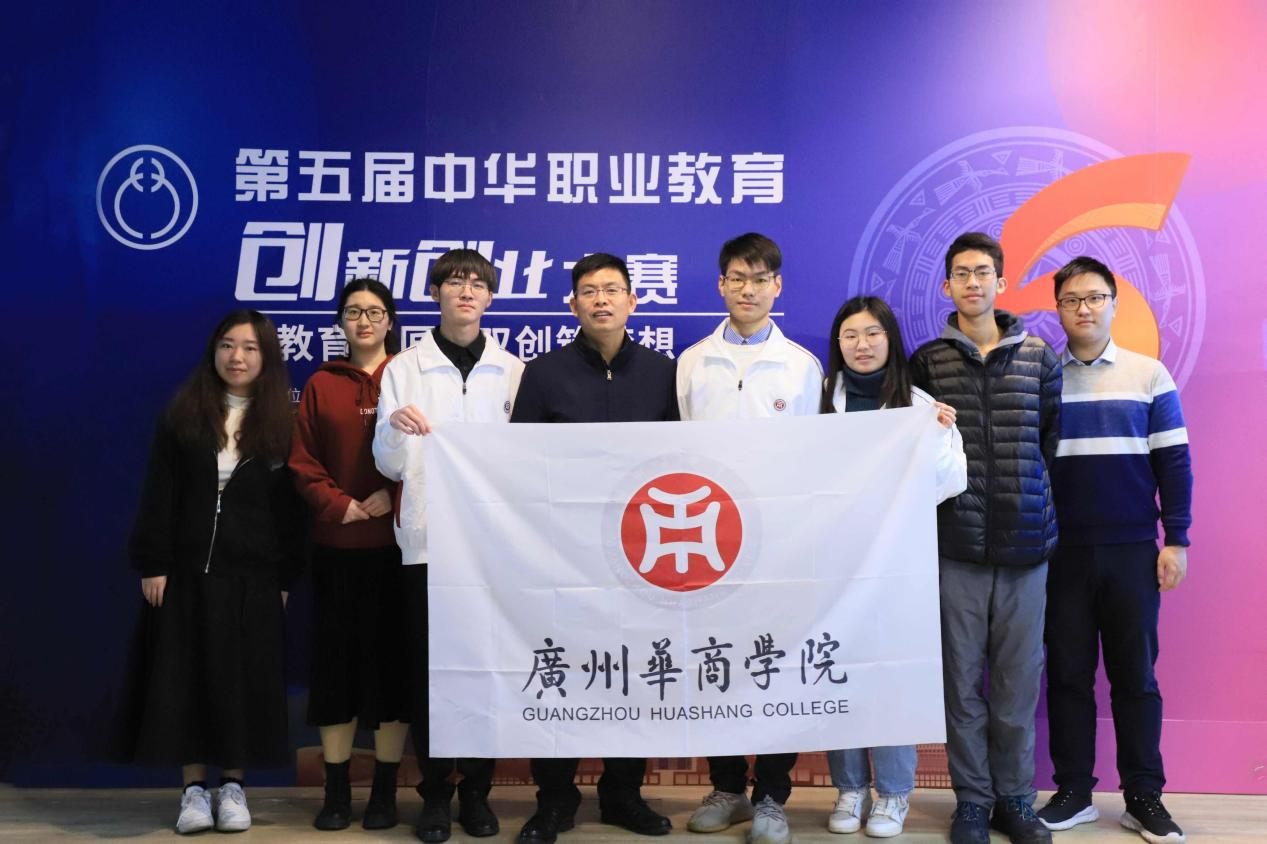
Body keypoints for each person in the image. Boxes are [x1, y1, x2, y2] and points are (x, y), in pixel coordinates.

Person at [511, 252, 678, 844]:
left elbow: (682, 464)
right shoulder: (543, 374)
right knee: (559, 669)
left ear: (633, 300)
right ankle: (554, 798)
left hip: (640, 555)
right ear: (573, 304)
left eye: (611, 289)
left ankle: (622, 794)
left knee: (633, 671)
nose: (601, 300)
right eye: (588, 291)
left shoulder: (663, 372)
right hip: (562, 555)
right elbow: (517, 464)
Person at [123, 309, 302, 834]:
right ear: (214, 352)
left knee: (242, 681)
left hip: (253, 577)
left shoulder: (282, 423)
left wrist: (286, 577)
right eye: (227, 345)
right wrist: (154, 562)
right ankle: (193, 793)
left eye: (249, 347)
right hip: (186, 574)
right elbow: (159, 493)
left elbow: (292, 512)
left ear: (266, 357)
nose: (236, 357)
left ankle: (234, 788)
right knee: (186, 679)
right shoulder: (184, 414)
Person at [907, 232, 1060, 844]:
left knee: (1018, 683)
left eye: (983, 272)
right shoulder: (927, 362)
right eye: (962, 274)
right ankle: (972, 801)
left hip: (1027, 545)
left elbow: (1049, 441)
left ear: (1001, 281)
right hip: (957, 546)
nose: (973, 282)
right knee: (962, 682)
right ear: (947, 286)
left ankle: (1015, 800)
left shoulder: (1039, 357)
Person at [1036, 257, 1191, 844]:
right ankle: (1074, 791)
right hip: (1061, 554)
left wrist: (1176, 539)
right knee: (1068, 675)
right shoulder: (1044, 379)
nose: (1084, 308)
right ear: (1058, 308)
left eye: (1095, 297)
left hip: (1132, 550)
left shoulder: (1149, 375)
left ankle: (1143, 796)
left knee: (1136, 677)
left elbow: (1173, 462)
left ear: (1113, 304)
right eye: (1071, 299)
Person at [373, 249, 524, 843]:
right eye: (455, 281)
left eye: (477, 283)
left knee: (486, 670)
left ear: (490, 297)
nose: (466, 291)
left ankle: (477, 793)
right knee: (428, 674)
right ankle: (435, 794)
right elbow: (387, 464)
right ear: (435, 292)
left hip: (493, 550)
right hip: (428, 544)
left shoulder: (512, 371)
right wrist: (393, 430)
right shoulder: (404, 369)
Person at [676, 232, 823, 844]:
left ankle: (771, 797)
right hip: (708, 543)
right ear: (721, 285)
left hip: (778, 545)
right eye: (737, 278)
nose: (748, 289)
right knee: (715, 663)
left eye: (760, 279)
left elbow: (813, 458)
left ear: (777, 286)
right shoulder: (692, 362)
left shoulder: (802, 366)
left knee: (773, 665)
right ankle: (728, 787)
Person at [819, 295, 967, 838]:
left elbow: (949, 482)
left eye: (872, 334)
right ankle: (850, 786)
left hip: (895, 566)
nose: (862, 345)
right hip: (831, 565)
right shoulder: (817, 402)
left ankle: (895, 792)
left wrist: (939, 434)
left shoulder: (918, 405)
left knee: (892, 675)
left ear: (890, 340)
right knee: (836, 669)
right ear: (838, 344)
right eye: (850, 335)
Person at [289, 278, 409, 831]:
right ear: (340, 322)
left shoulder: (409, 376)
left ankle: (385, 792)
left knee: (391, 672)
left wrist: (393, 494)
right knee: (334, 670)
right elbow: (302, 460)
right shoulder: (321, 383)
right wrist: (339, 505)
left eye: (375, 312)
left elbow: (434, 450)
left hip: (397, 548)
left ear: (390, 321)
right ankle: (336, 792)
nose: (364, 321)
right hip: (336, 546)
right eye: (354, 312)